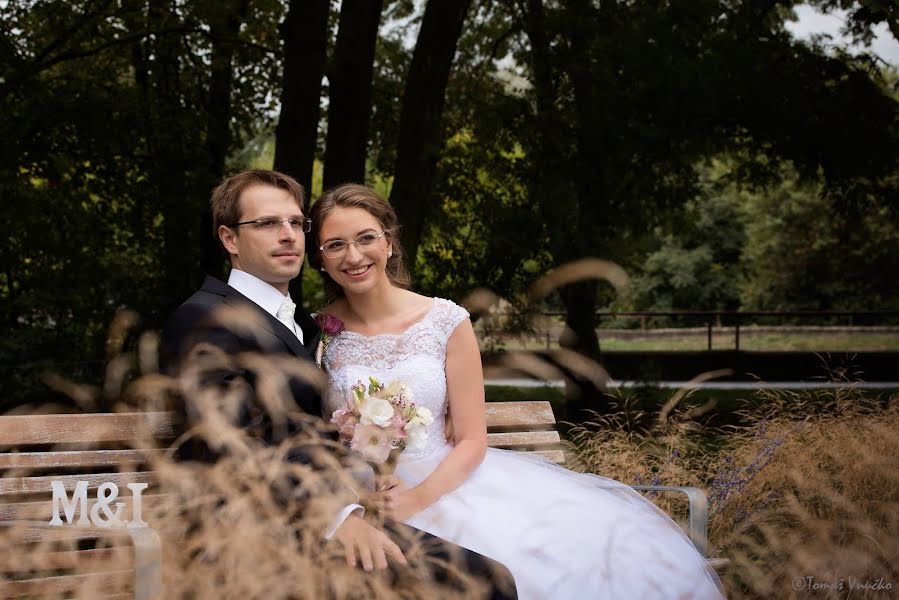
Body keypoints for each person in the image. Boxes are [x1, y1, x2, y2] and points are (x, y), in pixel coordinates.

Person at [310, 183, 727, 600]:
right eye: (335, 245)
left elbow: (473, 438)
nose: (354, 256)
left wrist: (418, 498)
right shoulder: (315, 333)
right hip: (360, 497)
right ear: (321, 259)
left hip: (445, 484)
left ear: (388, 241)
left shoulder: (445, 320)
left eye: (366, 238)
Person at [160, 170, 517, 598]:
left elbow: (309, 432)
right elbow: (229, 446)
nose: (288, 235)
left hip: (340, 508)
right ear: (230, 239)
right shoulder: (205, 318)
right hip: (267, 532)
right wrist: (339, 516)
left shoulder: (304, 325)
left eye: (295, 223)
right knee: (485, 583)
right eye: (267, 224)